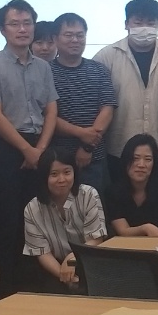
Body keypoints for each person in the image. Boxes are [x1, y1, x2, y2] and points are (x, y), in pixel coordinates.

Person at [0, 0, 58, 293]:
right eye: (14, 24)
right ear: (3, 29)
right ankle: (4, 289)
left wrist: (40, 150)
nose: (22, 29)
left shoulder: (43, 67)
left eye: (27, 23)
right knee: (6, 219)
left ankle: (35, 284)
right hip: (6, 147)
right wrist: (26, 150)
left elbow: (51, 109)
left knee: (38, 217)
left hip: (39, 146)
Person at [94, 0, 158, 183]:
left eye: (151, 23)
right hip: (120, 148)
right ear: (126, 24)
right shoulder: (106, 57)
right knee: (121, 196)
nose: (145, 28)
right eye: (138, 22)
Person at [50, 12, 116, 194]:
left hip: (94, 158)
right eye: (68, 35)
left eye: (80, 35)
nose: (75, 40)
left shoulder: (99, 70)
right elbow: (46, 115)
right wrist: (81, 133)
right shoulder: (45, 72)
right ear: (55, 38)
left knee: (94, 206)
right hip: (56, 159)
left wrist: (87, 146)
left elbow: (107, 109)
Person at [22, 148, 107, 290]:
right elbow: (42, 253)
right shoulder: (32, 209)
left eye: (67, 172)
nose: (61, 179)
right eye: (54, 174)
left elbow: (97, 239)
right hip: (54, 268)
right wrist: (66, 277)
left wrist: (73, 258)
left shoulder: (89, 195)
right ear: (44, 177)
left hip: (89, 260)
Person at [102, 133, 158, 237]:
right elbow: (123, 231)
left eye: (148, 159)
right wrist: (145, 228)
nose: (141, 165)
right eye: (135, 158)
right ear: (125, 160)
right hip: (124, 246)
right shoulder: (113, 192)